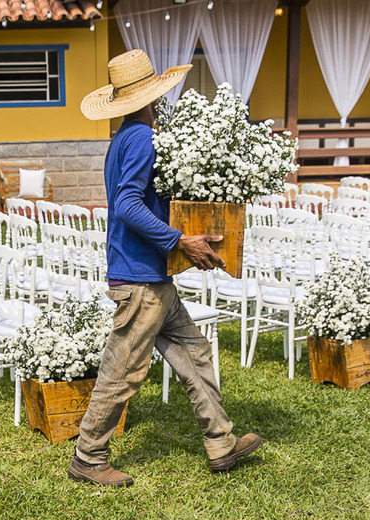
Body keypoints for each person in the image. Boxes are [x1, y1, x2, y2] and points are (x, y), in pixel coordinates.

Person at [70, 50, 263, 488]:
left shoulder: (124, 136)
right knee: (122, 371)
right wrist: (180, 240)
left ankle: (221, 443)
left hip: (153, 277)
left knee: (194, 353)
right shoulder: (140, 138)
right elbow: (126, 205)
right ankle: (88, 456)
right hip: (140, 280)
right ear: (151, 95)